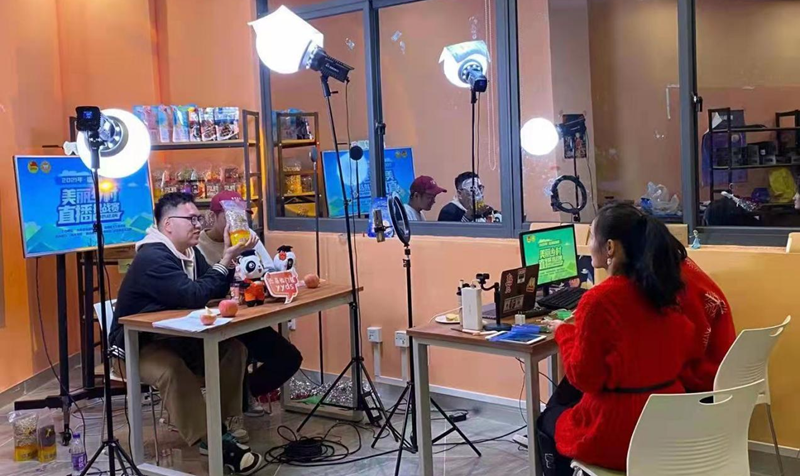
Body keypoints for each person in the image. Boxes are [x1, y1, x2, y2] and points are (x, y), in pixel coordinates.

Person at [108, 192, 262, 475]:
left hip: (173, 339)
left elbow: (212, 287)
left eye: (198, 219)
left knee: (233, 349)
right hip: (134, 347)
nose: (198, 225)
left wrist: (230, 259)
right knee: (171, 369)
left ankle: (221, 425)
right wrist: (225, 258)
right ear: (168, 224)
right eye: (191, 219)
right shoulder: (152, 256)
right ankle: (213, 441)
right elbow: (193, 295)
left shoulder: (190, 253)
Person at [536, 203, 696, 475]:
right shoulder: (664, 290)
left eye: (592, 237)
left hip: (619, 432)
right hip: (668, 424)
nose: (589, 245)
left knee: (549, 418)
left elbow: (584, 378)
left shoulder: (598, 300)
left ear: (609, 247)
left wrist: (564, 332)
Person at [197, 191, 303, 418]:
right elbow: (203, 289)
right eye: (231, 217)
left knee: (289, 358)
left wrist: (261, 267)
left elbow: (270, 272)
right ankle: (226, 405)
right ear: (213, 216)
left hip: (248, 318)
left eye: (242, 217)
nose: (238, 223)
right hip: (216, 323)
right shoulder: (198, 245)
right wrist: (228, 258)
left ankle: (241, 395)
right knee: (238, 352)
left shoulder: (248, 237)